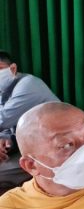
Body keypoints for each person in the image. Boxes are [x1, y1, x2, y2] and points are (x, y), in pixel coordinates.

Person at [0, 51, 59, 193]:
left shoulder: (28, 84)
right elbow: (8, 126)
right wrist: (3, 138)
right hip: (26, 145)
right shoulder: (3, 90)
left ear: (13, 69)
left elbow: (3, 119)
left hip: (52, 149)